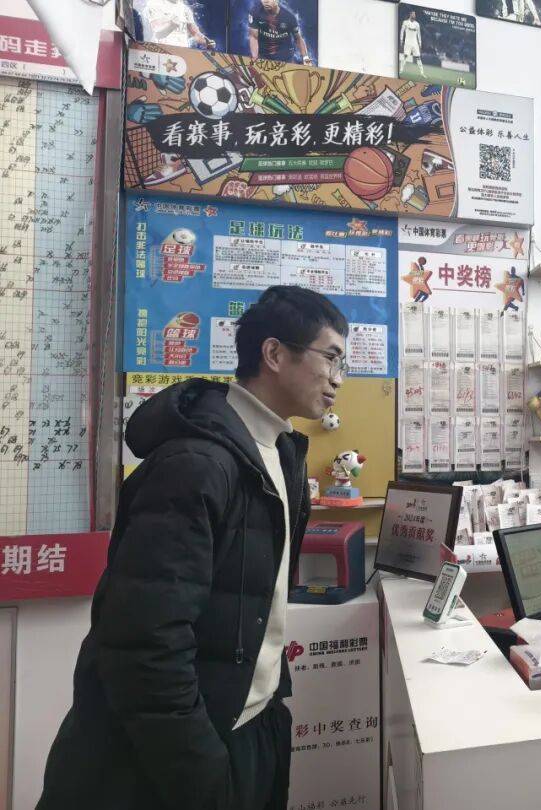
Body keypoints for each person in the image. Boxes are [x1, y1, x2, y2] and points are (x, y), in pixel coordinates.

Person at [38, 286, 348, 810]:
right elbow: (145, 645)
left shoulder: (280, 453)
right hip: (172, 757)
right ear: (274, 354)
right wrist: (202, 773)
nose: (339, 377)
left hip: (249, 724)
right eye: (331, 357)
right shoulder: (196, 464)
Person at [248, 0, 313, 65]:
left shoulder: (289, 18)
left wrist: (305, 57)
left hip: (285, 58)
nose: (265, 1)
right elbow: (253, 36)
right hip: (263, 56)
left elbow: (298, 38)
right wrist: (255, 57)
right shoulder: (255, 12)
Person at [139, 0, 216, 48]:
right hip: (161, 51)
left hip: (182, 53)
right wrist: (172, 24)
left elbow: (195, 34)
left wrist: (207, 42)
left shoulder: (185, 9)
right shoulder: (154, 3)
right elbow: (157, 31)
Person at [399, 10, 426, 79]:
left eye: (415, 14)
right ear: (410, 14)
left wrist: (420, 43)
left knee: (418, 57)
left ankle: (422, 73)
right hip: (407, 42)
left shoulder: (417, 24)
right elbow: (402, 31)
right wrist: (401, 40)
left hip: (415, 43)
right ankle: (401, 70)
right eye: (413, 14)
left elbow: (419, 34)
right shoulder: (405, 22)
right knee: (405, 56)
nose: (414, 15)